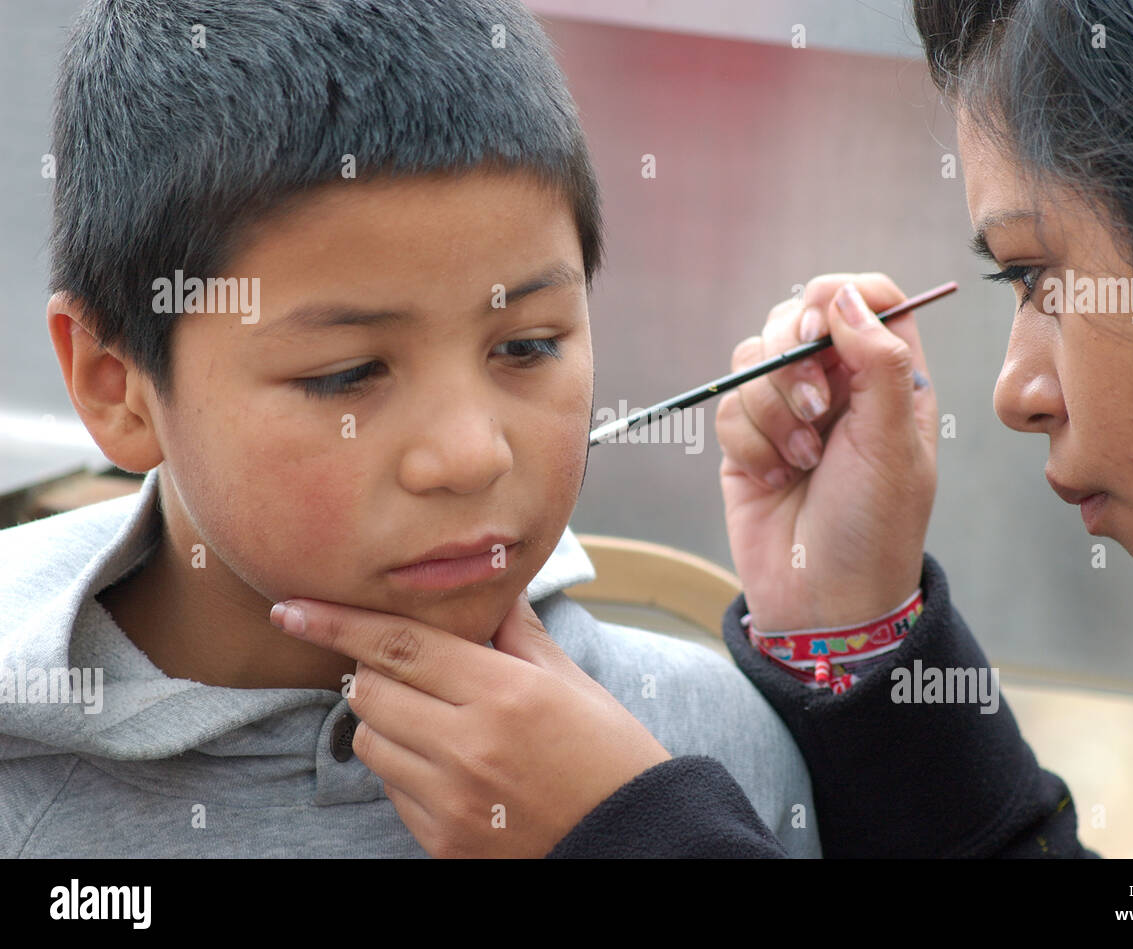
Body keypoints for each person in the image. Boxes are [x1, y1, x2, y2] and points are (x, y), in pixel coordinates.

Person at [276, 0, 1133, 858]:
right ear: (118, 389)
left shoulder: (701, 728)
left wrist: (631, 836)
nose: (1016, 391)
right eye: (347, 371)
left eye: (1038, 277)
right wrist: (849, 626)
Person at [0, 0, 821, 858]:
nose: (472, 454)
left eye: (528, 345)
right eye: (347, 374)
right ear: (117, 384)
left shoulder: (699, 758)